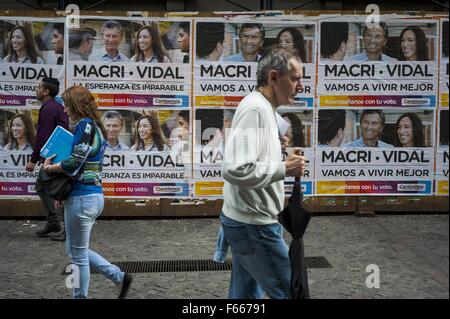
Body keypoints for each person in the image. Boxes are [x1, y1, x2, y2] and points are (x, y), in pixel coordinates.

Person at [220, 46, 307, 299]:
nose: (300, 86)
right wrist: (285, 167)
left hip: (248, 222)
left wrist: (279, 154)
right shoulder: (256, 109)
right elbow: (234, 168)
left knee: (245, 297)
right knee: (291, 294)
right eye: (295, 78)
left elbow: (252, 161)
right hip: (253, 227)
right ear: (273, 78)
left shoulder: (265, 109)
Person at [42, 85, 133, 299]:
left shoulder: (84, 126)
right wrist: (64, 195)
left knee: (78, 255)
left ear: (75, 105)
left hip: (83, 197)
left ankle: (81, 296)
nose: (64, 111)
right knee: (75, 250)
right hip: (90, 195)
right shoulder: (96, 126)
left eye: (66, 106)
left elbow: (74, 163)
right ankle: (119, 277)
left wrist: (49, 168)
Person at [25, 78, 69, 239]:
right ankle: (54, 222)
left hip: (54, 157)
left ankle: (63, 227)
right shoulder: (54, 107)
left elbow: (42, 136)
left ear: (46, 92)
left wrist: (33, 159)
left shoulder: (49, 109)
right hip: (58, 155)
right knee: (44, 187)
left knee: (60, 192)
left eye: (38, 87)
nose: (36, 90)